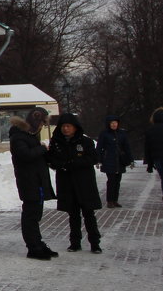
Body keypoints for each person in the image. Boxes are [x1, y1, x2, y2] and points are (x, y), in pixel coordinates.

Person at [8, 107, 59, 260]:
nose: (42, 127)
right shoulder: (18, 137)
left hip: (36, 182)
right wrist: (42, 149)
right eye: (42, 123)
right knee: (30, 216)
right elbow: (25, 155)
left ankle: (38, 243)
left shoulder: (30, 136)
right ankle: (33, 247)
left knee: (35, 215)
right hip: (28, 181)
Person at [48, 113, 103, 253]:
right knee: (73, 215)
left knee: (88, 214)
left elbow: (93, 158)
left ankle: (95, 243)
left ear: (75, 127)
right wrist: (61, 165)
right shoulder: (56, 142)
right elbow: (52, 160)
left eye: (68, 126)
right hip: (67, 183)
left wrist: (75, 163)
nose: (65, 129)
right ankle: (75, 242)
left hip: (84, 183)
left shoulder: (85, 142)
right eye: (63, 126)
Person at [95, 115, 132, 208]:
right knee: (111, 181)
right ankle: (110, 200)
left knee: (117, 181)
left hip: (120, 161)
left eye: (115, 123)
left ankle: (115, 200)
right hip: (108, 160)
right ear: (108, 124)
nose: (114, 124)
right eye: (112, 123)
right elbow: (99, 147)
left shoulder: (122, 133)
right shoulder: (104, 134)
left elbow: (127, 147)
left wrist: (130, 159)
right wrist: (98, 160)